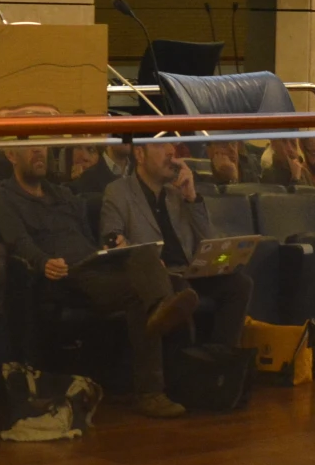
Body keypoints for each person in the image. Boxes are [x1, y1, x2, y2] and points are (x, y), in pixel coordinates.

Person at [0, 145, 196, 418]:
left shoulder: (62, 194)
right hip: (64, 274)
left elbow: (89, 237)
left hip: (94, 263)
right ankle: (152, 389)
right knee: (150, 291)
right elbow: (18, 242)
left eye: (43, 148)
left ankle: (181, 371)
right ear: (11, 155)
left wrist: (113, 250)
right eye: (31, 149)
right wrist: (43, 262)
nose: (40, 153)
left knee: (148, 255)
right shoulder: (4, 197)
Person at [99, 144, 253, 349]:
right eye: (161, 146)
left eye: (172, 145)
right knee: (181, 292)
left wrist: (192, 197)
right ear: (139, 154)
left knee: (240, 283)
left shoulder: (177, 192)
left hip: (188, 271)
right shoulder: (118, 191)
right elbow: (112, 241)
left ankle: (219, 360)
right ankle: (187, 367)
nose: (171, 152)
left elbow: (207, 239)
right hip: (160, 277)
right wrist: (143, 257)